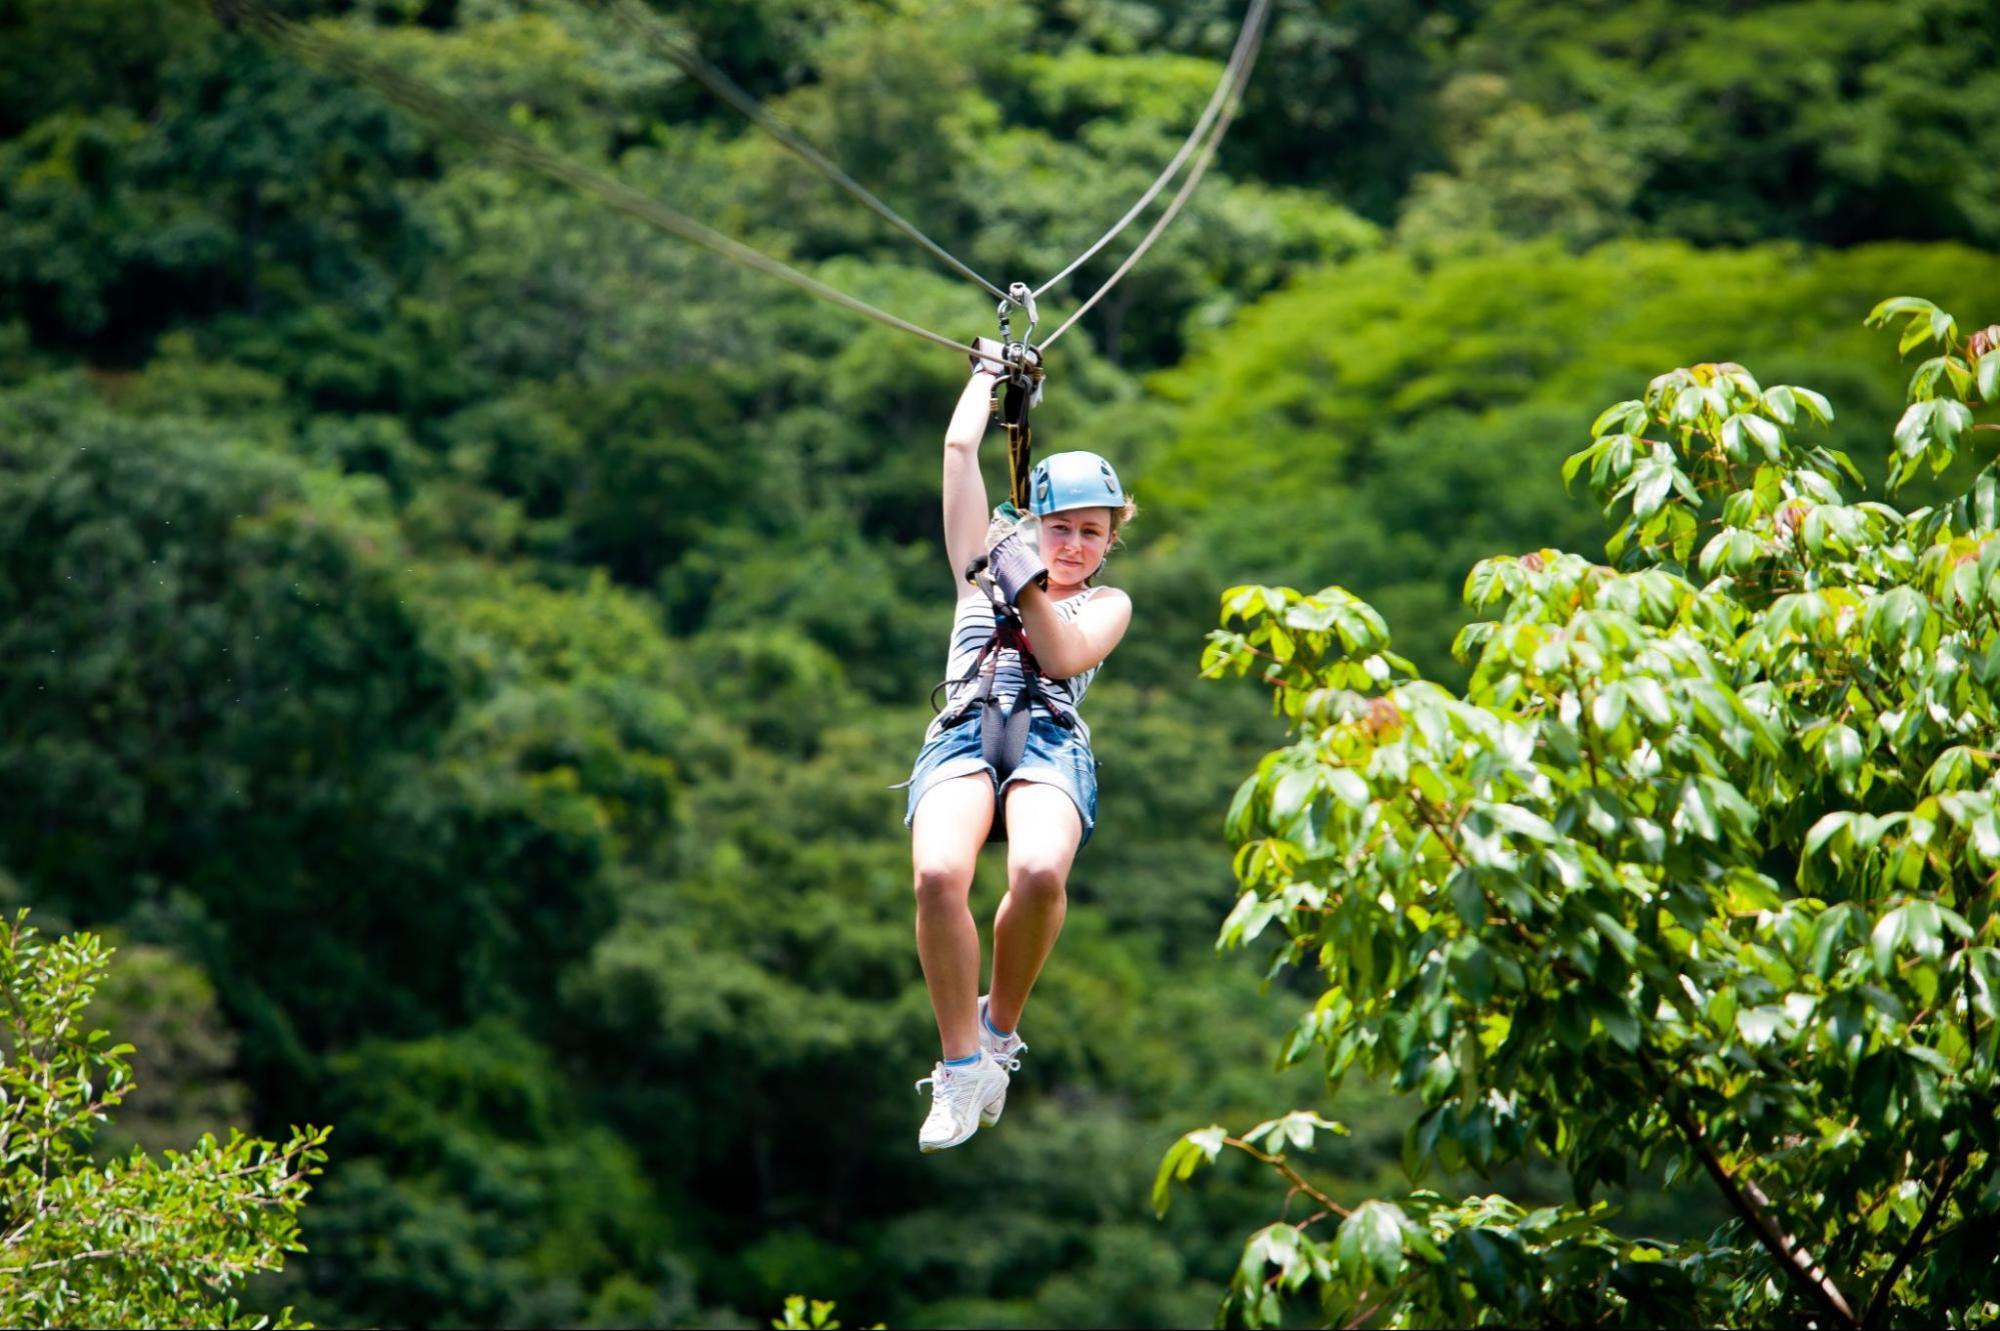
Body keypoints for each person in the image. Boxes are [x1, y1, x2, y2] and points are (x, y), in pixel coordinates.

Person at [903, 361, 1135, 1152]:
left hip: (1047, 738)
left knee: (1037, 871)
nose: (1072, 545)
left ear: (1109, 543)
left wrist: (1028, 582)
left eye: (1090, 533)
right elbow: (958, 450)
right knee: (938, 875)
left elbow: (1064, 655)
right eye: (1059, 527)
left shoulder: (1106, 602)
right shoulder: (978, 567)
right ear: (1033, 522)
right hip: (966, 726)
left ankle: (999, 1031)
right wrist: (985, 374)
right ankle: (961, 1063)